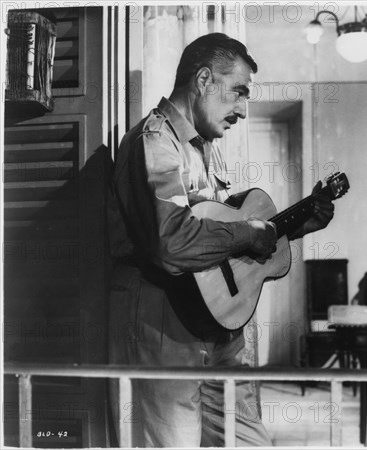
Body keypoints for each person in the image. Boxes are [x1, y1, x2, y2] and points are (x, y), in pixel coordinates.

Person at [107, 33, 334, 447]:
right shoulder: (154, 143)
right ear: (205, 79)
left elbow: (220, 236)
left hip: (218, 325)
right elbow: (170, 241)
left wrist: (291, 228)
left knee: (248, 441)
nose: (243, 110)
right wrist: (248, 232)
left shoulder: (205, 149)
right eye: (239, 93)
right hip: (164, 324)